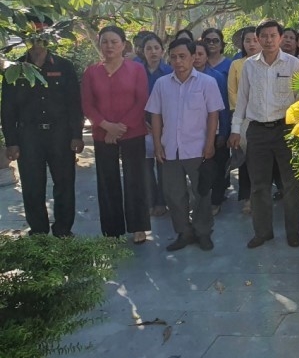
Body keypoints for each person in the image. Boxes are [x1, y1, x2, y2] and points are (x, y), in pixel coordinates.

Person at [1, 15, 84, 237]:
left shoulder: (64, 67)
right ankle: (38, 232)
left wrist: (77, 135)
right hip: (29, 137)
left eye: (42, 35)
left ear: (49, 37)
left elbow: (75, 104)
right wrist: (11, 142)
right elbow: (7, 109)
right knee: (32, 187)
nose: (37, 41)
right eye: (32, 35)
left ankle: (63, 230)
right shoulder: (14, 69)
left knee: (64, 184)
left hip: (60, 135)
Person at [228, 19, 299, 249]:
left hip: (285, 130)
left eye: (273, 35)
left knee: (291, 184)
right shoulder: (249, 66)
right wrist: (235, 130)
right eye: (264, 36)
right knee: (259, 185)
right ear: (257, 39)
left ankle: (293, 231)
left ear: (280, 38)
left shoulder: (293, 64)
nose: (269, 40)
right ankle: (263, 232)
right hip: (257, 131)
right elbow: (242, 100)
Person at [147, 39, 224, 251]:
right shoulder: (162, 84)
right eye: (173, 57)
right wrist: (157, 145)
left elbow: (213, 115)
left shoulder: (207, 82)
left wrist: (210, 144)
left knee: (201, 193)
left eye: (183, 56)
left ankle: (203, 232)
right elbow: (155, 115)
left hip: (197, 148)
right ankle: (183, 232)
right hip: (170, 148)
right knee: (174, 194)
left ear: (193, 57)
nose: (178, 61)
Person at [81, 25, 151, 243]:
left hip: (133, 132)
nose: (109, 46)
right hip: (103, 135)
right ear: (99, 45)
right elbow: (87, 104)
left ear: (123, 45)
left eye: (114, 41)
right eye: (104, 42)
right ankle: (112, 230)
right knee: (107, 181)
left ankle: (138, 226)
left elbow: (142, 100)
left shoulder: (137, 70)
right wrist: (105, 126)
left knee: (135, 180)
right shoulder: (91, 71)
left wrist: (120, 127)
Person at [193, 41, 231, 215]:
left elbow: (222, 106)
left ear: (207, 57)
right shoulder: (183, 77)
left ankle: (216, 200)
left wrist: (223, 132)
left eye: (201, 54)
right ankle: (200, 201)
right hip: (193, 132)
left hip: (215, 132)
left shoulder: (216, 77)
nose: (197, 58)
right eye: (194, 54)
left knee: (218, 167)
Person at [228, 28, 261, 213]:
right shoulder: (236, 65)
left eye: (255, 40)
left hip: (263, 118)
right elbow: (233, 93)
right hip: (244, 118)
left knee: (261, 160)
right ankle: (246, 197)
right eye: (247, 40)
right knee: (245, 159)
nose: (251, 44)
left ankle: (261, 196)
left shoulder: (266, 63)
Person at [140, 33, 172, 218]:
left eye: (156, 48)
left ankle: (162, 201)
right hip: (141, 124)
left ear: (162, 50)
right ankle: (149, 201)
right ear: (143, 52)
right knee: (145, 168)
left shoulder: (169, 71)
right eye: (148, 48)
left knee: (163, 167)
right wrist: (142, 121)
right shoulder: (136, 71)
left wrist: (160, 125)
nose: (153, 52)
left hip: (165, 125)